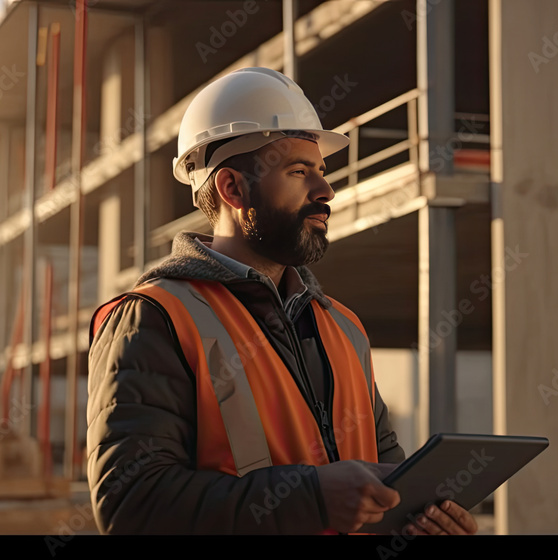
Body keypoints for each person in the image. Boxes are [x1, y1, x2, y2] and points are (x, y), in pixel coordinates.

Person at [86, 67, 477, 535]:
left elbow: (385, 477)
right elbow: (132, 505)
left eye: (322, 172)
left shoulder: (343, 327)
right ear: (233, 188)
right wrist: (309, 497)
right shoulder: (153, 317)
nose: (325, 191)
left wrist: (421, 519)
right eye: (298, 172)